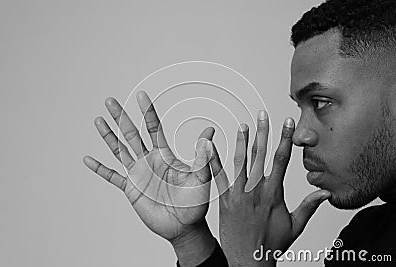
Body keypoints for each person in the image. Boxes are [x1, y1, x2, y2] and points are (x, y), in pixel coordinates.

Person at [84, 0, 396, 266]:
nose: (300, 134)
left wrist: (247, 259)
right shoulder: (363, 239)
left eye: (322, 102)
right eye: (300, 107)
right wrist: (190, 239)